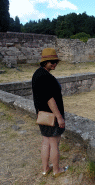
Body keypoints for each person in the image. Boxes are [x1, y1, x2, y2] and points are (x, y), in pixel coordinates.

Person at [32, 48, 68, 178]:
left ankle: (45, 168)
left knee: (45, 142)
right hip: (51, 117)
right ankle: (57, 170)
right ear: (44, 62)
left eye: (56, 61)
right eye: (52, 61)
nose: (54, 64)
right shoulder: (44, 76)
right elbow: (49, 99)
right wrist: (59, 117)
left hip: (43, 116)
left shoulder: (38, 73)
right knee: (54, 144)